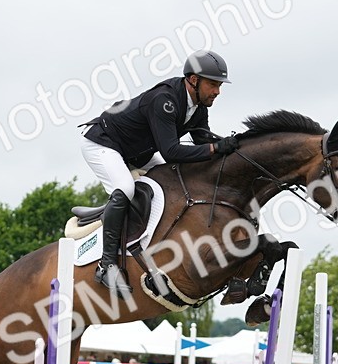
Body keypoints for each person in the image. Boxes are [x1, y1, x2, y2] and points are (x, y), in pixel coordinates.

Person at [80, 50, 238, 295]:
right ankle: (106, 264)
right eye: (213, 84)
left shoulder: (198, 107)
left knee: (175, 180)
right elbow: (172, 152)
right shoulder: (164, 100)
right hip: (104, 143)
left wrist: (230, 145)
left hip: (136, 153)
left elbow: (202, 141)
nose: (217, 91)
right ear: (194, 80)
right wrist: (215, 148)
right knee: (126, 188)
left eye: (219, 86)